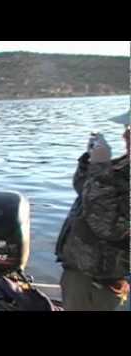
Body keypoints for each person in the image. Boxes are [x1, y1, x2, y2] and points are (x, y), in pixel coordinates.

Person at [55, 109, 130, 311]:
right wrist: (89, 161)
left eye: (129, 129)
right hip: (79, 272)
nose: (125, 135)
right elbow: (84, 192)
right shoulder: (122, 166)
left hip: (102, 283)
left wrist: (100, 167)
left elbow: (108, 226)